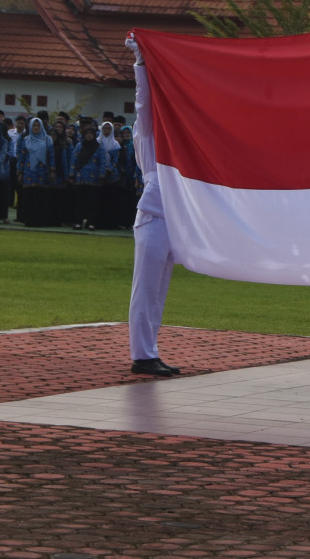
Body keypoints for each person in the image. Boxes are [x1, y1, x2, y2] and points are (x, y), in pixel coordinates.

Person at [124, 35, 182, 377]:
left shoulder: (176, 140)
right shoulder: (147, 134)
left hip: (174, 217)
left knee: (158, 292)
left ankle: (150, 351)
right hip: (153, 216)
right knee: (145, 289)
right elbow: (143, 102)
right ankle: (141, 355)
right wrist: (142, 63)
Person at [16, 117, 55, 227]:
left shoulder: (48, 139)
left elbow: (51, 156)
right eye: (34, 125)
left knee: (41, 197)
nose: (36, 128)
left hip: (42, 172)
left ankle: (41, 220)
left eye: (38, 125)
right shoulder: (26, 139)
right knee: (29, 197)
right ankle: (29, 220)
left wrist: (52, 170)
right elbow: (22, 156)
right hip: (29, 172)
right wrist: (20, 172)